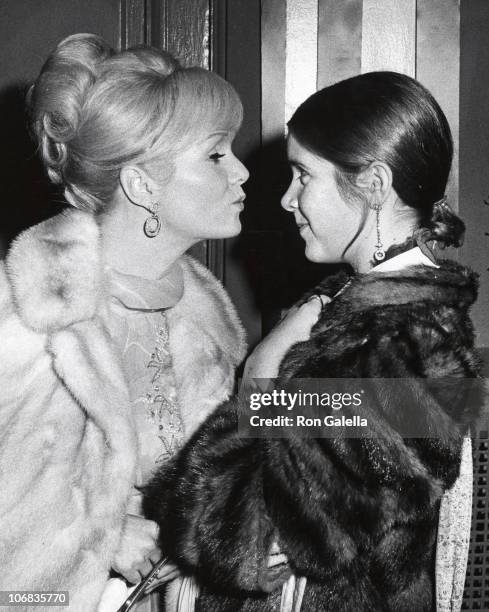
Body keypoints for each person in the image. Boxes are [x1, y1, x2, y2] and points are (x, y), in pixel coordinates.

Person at [144, 72, 483, 611]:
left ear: (373, 184)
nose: (286, 199)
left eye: (303, 176)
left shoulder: (408, 344)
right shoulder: (362, 316)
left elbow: (231, 534)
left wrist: (260, 377)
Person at [0, 33, 249, 612]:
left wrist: (442, 401)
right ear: (142, 185)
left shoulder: (200, 304)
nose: (242, 173)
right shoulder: (32, 307)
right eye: (217, 155)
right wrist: (97, 533)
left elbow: (245, 436)